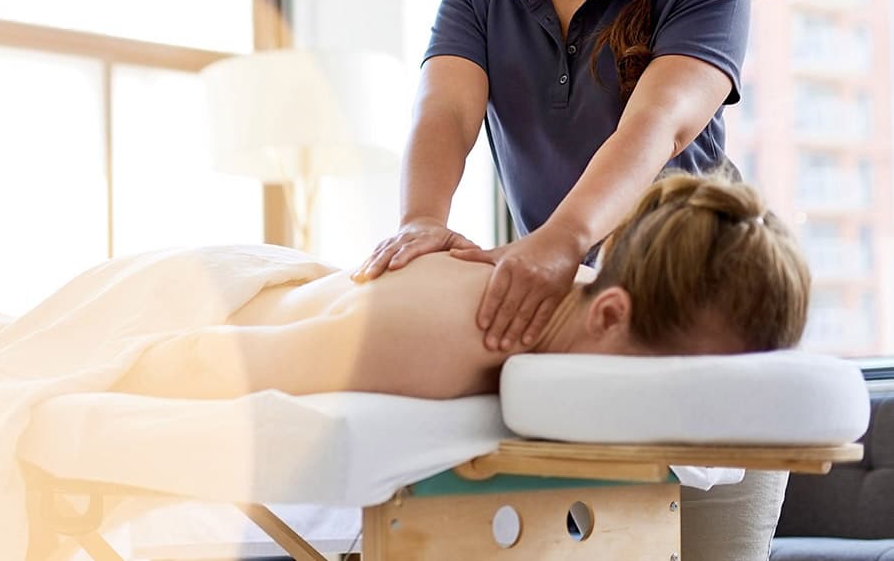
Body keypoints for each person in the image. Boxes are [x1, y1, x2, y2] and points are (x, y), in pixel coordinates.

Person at [354, 0, 752, 358]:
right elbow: (444, 112)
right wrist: (420, 222)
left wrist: (564, 240)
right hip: (569, 291)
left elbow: (658, 125)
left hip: (697, 285)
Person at [113, 172, 809, 401]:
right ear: (611, 315)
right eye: (678, 384)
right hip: (188, 295)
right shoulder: (449, 335)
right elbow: (192, 364)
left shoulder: (609, 301)